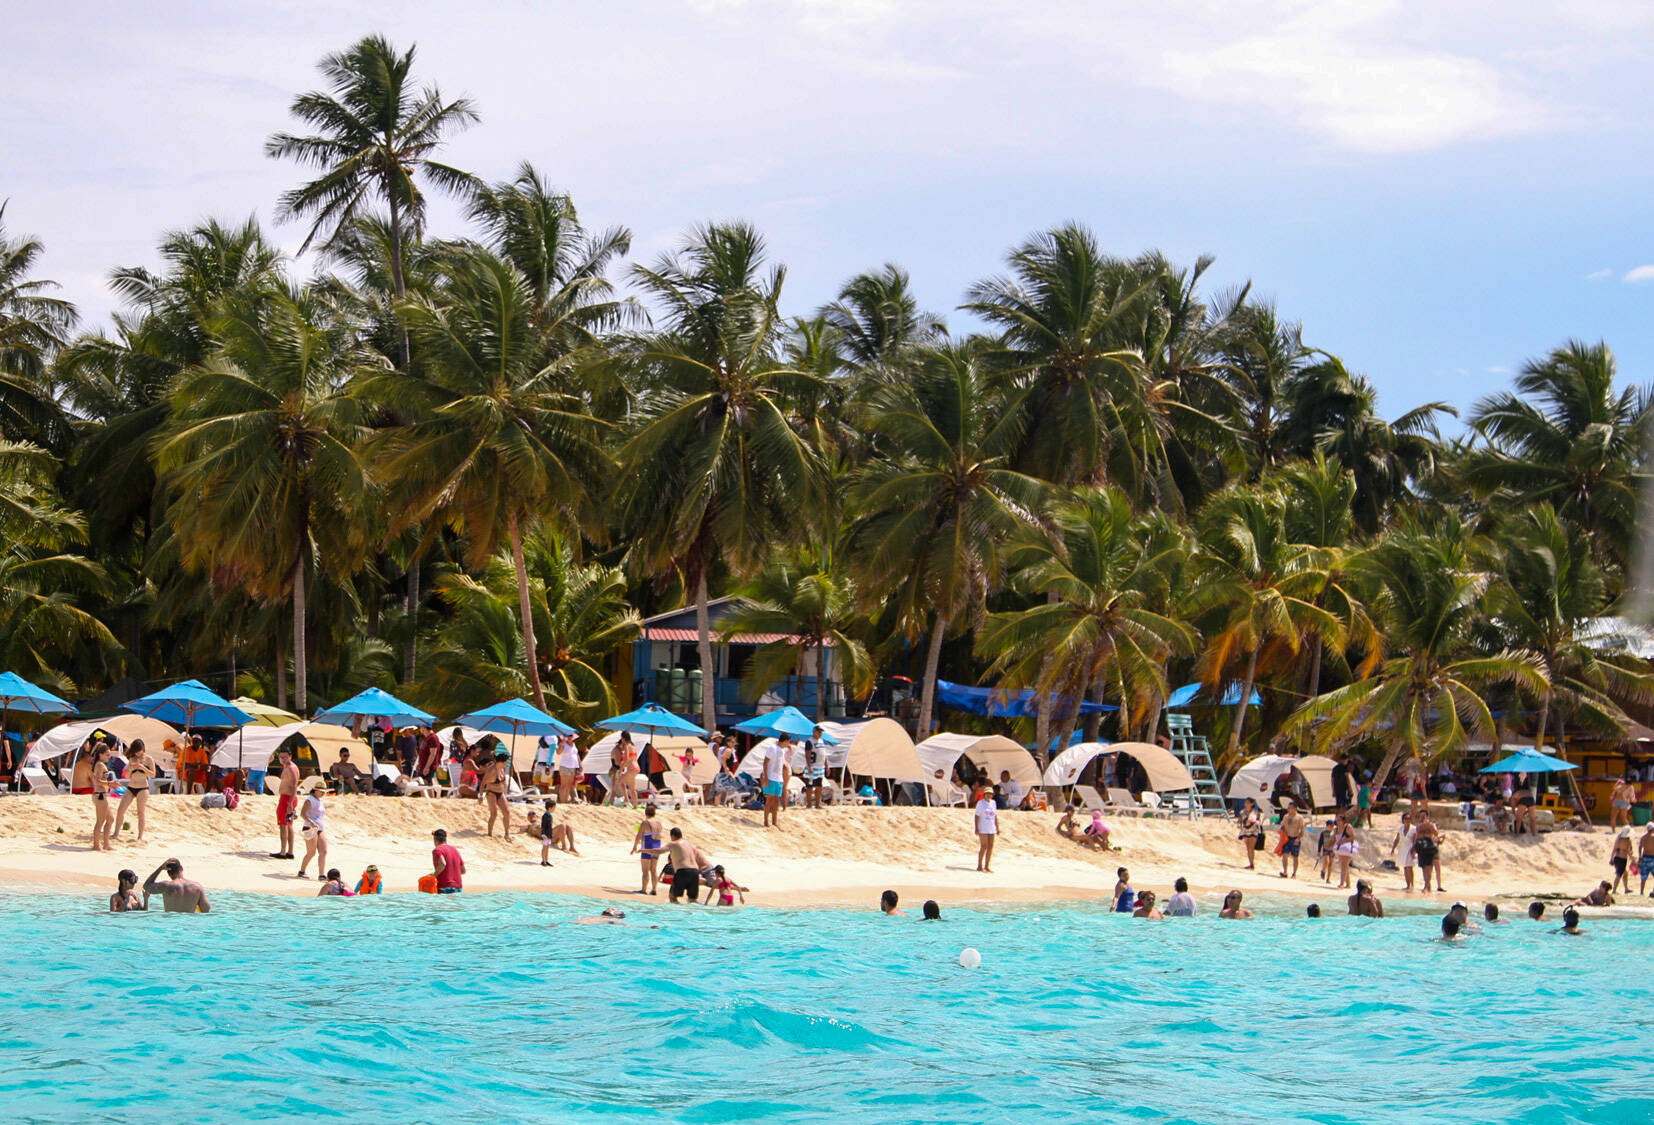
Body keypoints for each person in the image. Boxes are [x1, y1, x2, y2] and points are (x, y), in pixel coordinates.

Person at [111, 739, 154, 844]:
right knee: (121, 810)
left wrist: (142, 767)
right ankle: (116, 833)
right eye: (136, 751)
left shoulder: (149, 759)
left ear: (143, 749)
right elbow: (127, 776)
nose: (138, 753)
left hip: (143, 787)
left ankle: (140, 836)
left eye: (139, 750)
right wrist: (131, 768)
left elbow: (152, 774)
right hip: (131, 786)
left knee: (140, 812)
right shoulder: (132, 759)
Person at [142, 858, 209, 913]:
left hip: (171, 924)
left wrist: (160, 868)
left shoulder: (166, 886)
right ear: (181, 868)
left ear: (168, 873)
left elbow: (146, 886)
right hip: (188, 925)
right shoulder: (197, 887)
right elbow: (206, 909)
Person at [665, 827, 706, 905]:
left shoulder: (674, 844)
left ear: (672, 836)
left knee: (672, 897)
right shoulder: (688, 844)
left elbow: (662, 851)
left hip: (682, 871)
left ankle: (679, 911)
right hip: (694, 871)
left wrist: (646, 850)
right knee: (692, 899)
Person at [271, 748, 299, 860]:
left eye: (285, 757)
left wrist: (290, 804)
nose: (282, 759)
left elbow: (294, 786)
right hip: (286, 797)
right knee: (289, 825)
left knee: (283, 826)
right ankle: (290, 852)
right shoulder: (287, 767)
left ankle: (283, 852)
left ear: (290, 756)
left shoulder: (291, 768)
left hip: (288, 798)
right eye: (281, 757)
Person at [296, 783, 327, 879]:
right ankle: (302, 871)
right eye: (320, 791)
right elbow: (303, 814)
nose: (322, 793)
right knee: (311, 852)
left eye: (323, 792)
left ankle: (321, 874)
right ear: (315, 790)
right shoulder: (310, 800)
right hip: (310, 828)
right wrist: (311, 822)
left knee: (324, 851)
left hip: (320, 828)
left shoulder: (319, 801)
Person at [631, 802, 663, 894]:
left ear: (645, 813)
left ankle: (644, 889)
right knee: (653, 870)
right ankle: (654, 890)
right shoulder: (659, 823)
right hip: (657, 847)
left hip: (648, 846)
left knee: (645, 870)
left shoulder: (645, 822)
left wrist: (634, 847)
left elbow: (639, 835)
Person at [761, 735, 791, 828]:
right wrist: (766, 777)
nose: (789, 744)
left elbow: (781, 765)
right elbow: (765, 762)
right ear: (785, 741)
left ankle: (774, 821)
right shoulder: (772, 748)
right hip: (771, 777)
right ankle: (766, 821)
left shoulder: (782, 750)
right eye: (788, 741)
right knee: (769, 800)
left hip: (779, 778)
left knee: (777, 800)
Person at [481, 750, 512, 839]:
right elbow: (483, 783)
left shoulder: (502, 769)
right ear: (502, 762)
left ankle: (507, 833)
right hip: (491, 792)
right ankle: (489, 833)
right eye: (506, 762)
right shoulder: (491, 770)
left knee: (507, 812)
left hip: (500, 792)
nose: (507, 763)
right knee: (494, 813)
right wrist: (480, 796)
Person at [89, 744, 114, 852]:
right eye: (107, 755)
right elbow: (97, 781)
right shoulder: (99, 765)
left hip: (102, 795)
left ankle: (106, 844)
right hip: (99, 795)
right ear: (101, 754)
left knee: (110, 819)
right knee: (100, 821)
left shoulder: (100, 764)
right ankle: (96, 845)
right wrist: (110, 783)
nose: (109, 757)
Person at [1413, 808, 1442, 892]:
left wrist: (1430, 826)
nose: (1422, 817)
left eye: (1423, 816)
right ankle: (1427, 886)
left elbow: (1436, 833)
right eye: (1420, 816)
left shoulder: (1431, 824)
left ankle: (1426, 886)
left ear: (1427, 816)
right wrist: (1414, 849)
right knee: (1423, 867)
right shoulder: (1418, 826)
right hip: (1421, 847)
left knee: (1428, 867)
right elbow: (1417, 837)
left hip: (1429, 846)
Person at [430, 828, 465, 894]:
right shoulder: (455, 850)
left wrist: (433, 876)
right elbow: (463, 870)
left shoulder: (437, 850)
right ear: (445, 839)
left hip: (445, 887)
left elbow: (442, 864)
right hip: (458, 887)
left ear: (435, 839)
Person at [1390, 810, 1416, 891]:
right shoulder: (1400, 828)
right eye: (1405, 818)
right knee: (1405, 867)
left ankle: (1412, 884)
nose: (1407, 820)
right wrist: (1393, 848)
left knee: (1409, 867)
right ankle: (1407, 884)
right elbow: (1397, 839)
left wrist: (1414, 850)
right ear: (1403, 820)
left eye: (1409, 818)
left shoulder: (1414, 828)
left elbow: (1415, 840)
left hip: (1410, 848)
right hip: (1403, 848)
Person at [1278, 802, 1305, 879]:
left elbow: (1302, 830)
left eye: (1291, 808)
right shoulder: (1286, 817)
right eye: (1288, 807)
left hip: (1295, 837)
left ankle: (1294, 873)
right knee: (1285, 854)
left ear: (1295, 808)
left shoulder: (1299, 818)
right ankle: (1285, 871)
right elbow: (1283, 826)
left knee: (1295, 856)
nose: (1289, 809)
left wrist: (1298, 838)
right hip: (1287, 837)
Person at [974, 786, 998, 873]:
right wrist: (976, 827)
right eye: (987, 793)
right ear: (984, 794)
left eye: (991, 794)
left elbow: (995, 816)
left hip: (991, 827)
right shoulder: (980, 803)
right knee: (984, 846)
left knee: (990, 846)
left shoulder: (993, 803)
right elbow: (977, 815)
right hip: (983, 827)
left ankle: (987, 866)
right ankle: (979, 866)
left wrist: (997, 827)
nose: (989, 795)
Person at [1333, 816, 1358, 890]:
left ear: (1343, 821)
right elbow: (1334, 839)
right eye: (1336, 820)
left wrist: (1344, 841)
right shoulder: (1336, 829)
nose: (1337, 822)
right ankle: (1348, 884)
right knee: (1344, 865)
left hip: (1348, 848)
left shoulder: (1348, 827)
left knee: (1344, 864)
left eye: (1339, 820)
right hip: (1340, 849)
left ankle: (1342, 883)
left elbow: (1353, 837)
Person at [799, 742, 826, 809]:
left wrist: (826, 766)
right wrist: (809, 766)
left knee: (819, 786)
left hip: (820, 767)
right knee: (809, 786)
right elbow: (807, 755)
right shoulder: (810, 742)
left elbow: (824, 756)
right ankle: (809, 804)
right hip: (812, 767)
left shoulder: (821, 742)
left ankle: (817, 804)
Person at [1239, 798, 1263, 870]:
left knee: (1251, 847)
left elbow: (1259, 822)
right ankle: (1250, 863)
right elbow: (1240, 820)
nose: (1246, 804)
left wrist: (1254, 821)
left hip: (1253, 830)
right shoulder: (1242, 812)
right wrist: (1239, 825)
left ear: (1252, 804)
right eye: (1245, 803)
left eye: (1248, 803)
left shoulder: (1256, 812)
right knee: (1248, 847)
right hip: (1246, 830)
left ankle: (1252, 864)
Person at [556, 735, 582, 804]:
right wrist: (562, 743)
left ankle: (566, 800)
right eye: (568, 736)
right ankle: (562, 801)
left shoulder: (574, 744)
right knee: (564, 785)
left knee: (569, 785)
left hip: (573, 767)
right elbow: (558, 752)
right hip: (565, 766)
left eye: (571, 736)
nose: (570, 737)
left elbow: (576, 755)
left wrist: (580, 765)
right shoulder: (563, 744)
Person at [1609, 829, 1634, 894]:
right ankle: (1614, 890)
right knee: (1619, 875)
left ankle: (1626, 889)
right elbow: (1628, 851)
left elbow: (1614, 849)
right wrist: (1633, 859)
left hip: (1616, 858)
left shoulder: (1618, 839)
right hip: (1622, 859)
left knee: (1625, 873)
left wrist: (1611, 858)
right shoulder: (1627, 840)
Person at [1638, 824, 1654, 895]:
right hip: (1652, 858)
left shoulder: (1643, 837)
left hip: (1644, 858)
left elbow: (1640, 848)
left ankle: (1641, 892)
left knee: (1644, 876)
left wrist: (1640, 857)